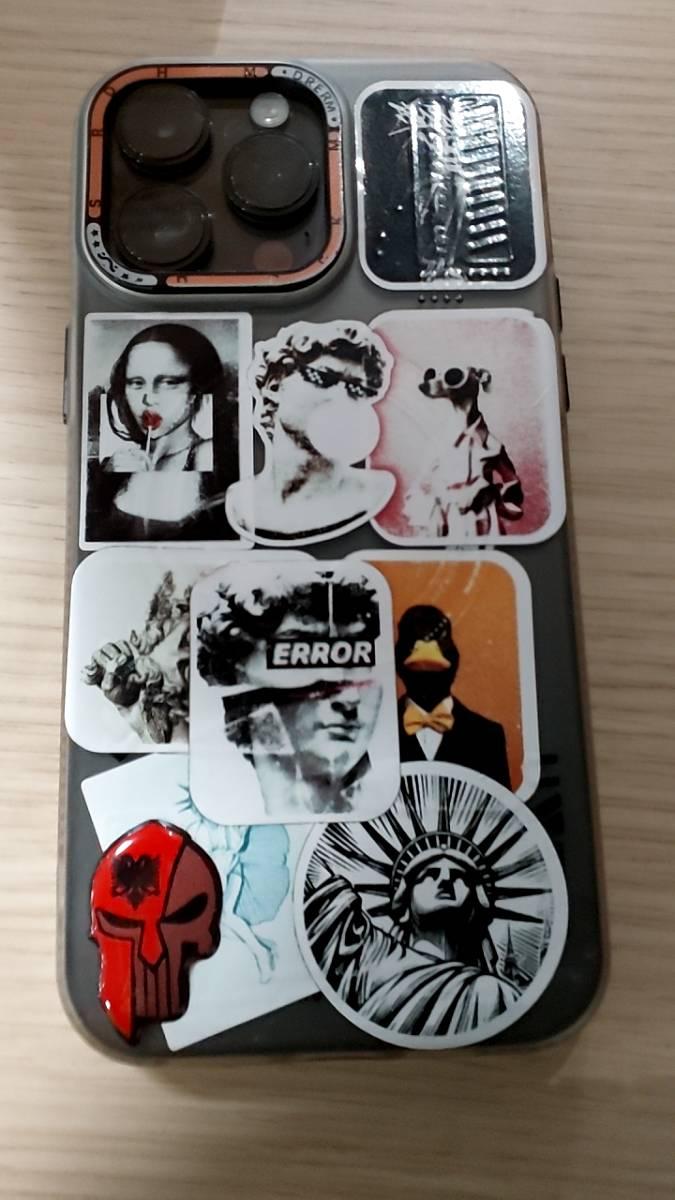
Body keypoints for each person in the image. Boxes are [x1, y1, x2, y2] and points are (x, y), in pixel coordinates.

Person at [195, 566, 385, 818]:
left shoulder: (400, 800)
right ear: (237, 668)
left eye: (355, 656)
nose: (349, 696)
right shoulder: (214, 798)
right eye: (302, 653)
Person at [304, 837, 522, 1038]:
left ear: (476, 904)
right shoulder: (369, 953)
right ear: (405, 901)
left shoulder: (498, 994)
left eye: (459, 876)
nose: (445, 879)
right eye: (430, 874)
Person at [225, 320, 395, 544]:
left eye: (357, 389)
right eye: (323, 378)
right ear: (274, 385)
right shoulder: (234, 503)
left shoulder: (376, 493)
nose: (341, 398)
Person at [85, 322, 239, 541]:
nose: (148, 398)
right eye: (136, 383)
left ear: (196, 390)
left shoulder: (217, 465)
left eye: (168, 382)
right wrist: (105, 478)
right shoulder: (108, 468)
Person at [395, 604, 511, 788]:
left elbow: (499, 804)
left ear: (455, 662)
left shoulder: (487, 736)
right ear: (398, 665)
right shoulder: (373, 737)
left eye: (434, 669)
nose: (427, 677)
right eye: (419, 669)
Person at [403, 366, 523, 540]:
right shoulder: (437, 444)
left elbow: (512, 484)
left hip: (483, 524)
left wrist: (489, 493)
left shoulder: (493, 445)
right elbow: (420, 487)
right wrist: (438, 502)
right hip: (446, 523)